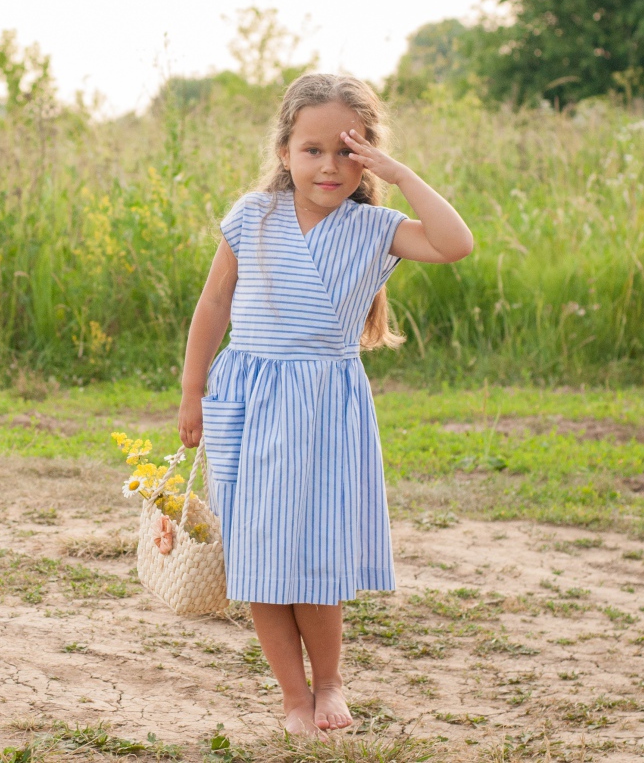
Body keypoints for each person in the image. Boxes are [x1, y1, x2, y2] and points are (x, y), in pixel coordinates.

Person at [177, 73, 473, 737]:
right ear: (285, 151)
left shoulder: (375, 227)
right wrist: (191, 392)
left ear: (367, 155)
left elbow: (456, 244)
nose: (330, 166)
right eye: (313, 150)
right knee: (258, 557)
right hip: (249, 403)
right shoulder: (252, 216)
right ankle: (291, 696)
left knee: (314, 554)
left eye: (348, 150)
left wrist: (398, 173)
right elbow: (213, 304)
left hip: (323, 412)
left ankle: (330, 682)